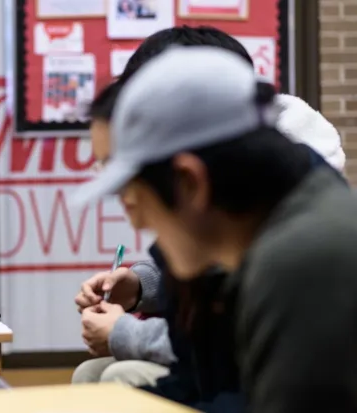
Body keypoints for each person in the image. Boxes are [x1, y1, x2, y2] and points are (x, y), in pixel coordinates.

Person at [75, 45, 357, 413]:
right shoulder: (266, 236)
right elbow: (204, 387)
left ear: (190, 183)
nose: (137, 221)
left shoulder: (299, 259)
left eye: (130, 194)